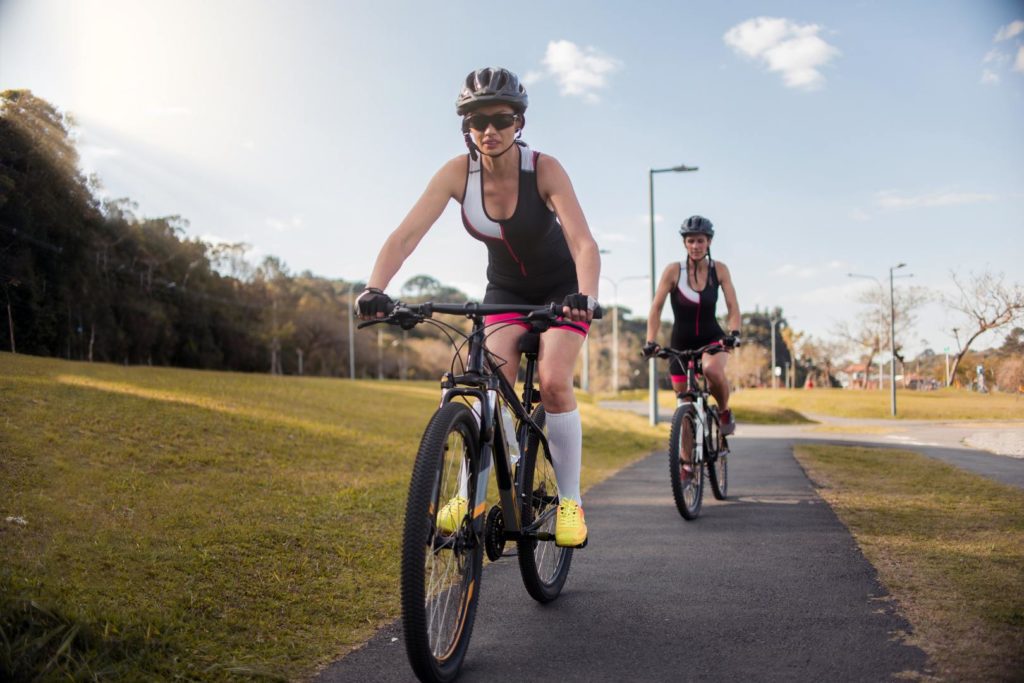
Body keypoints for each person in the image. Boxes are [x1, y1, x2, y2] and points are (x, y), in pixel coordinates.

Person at [356, 67, 601, 548]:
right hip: (505, 295)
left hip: (560, 294)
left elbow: (583, 243)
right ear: (465, 127)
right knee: (486, 383)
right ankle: (471, 492)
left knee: (553, 382)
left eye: (501, 119)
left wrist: (585, 299)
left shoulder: (544, 169)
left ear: (519, 123)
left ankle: (570, 501)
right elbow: (405, 236)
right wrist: (375, 288)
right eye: (476, 120)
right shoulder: (456, 173)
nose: (489, 130)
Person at [643, 215, 740, 434]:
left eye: (700, 241)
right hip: (680, 342)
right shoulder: (673, 271)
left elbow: (732, 306)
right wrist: (650, 340)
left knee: (712, 370)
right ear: (684, 243)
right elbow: (656, 308)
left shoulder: (719, 270)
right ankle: (686, 465)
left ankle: (724, 409)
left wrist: (734, 333)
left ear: (709, 242)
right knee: (684, 406)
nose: (695, 246)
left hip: (712, 337)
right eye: (690, 241)